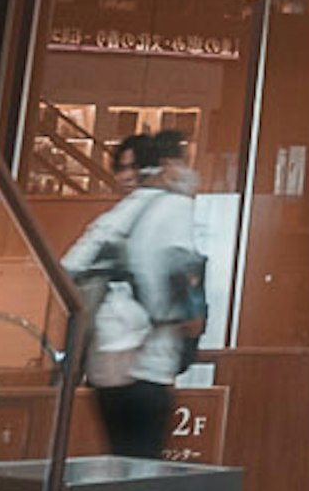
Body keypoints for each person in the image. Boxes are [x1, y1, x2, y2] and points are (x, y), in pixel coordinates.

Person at [64, 119, 213, 459]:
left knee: (118, 460)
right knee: (141, 470)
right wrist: (189, 320)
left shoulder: (121, 212)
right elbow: (181, 272)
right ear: (167, 166)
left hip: (105, 365)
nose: (187, 170)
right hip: (148, 361)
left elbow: (70, 266)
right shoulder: (175, 208)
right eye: (183, 161)